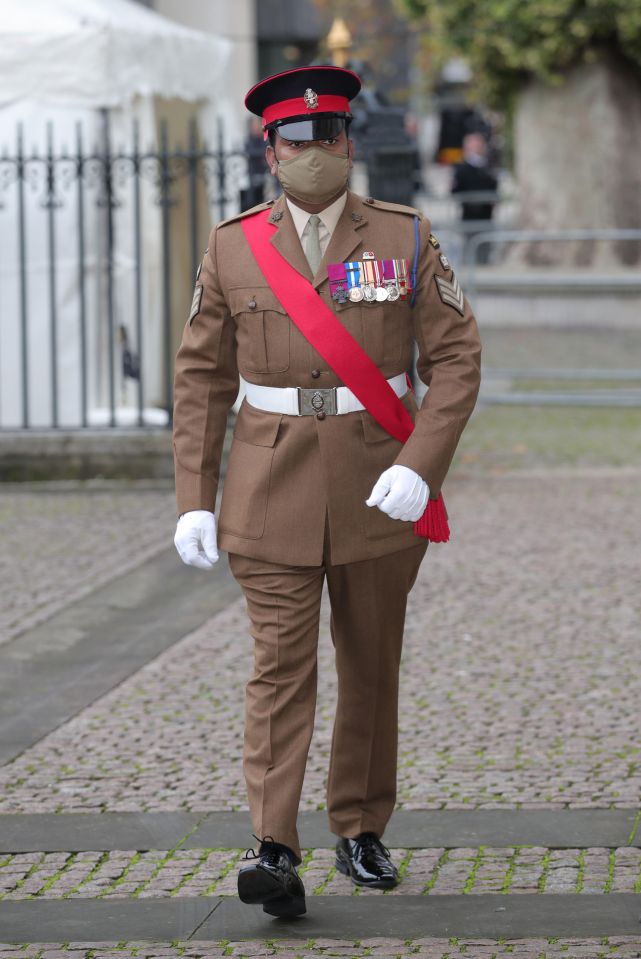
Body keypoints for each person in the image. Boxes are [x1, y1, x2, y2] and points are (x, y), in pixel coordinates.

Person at [172, 65, 481, 919]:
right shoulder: (232, 245)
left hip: (379, 481)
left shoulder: (404, 236)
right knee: (277, 668)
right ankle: (273, 844)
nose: (314, 154)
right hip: (267, 485)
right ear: (270, 153)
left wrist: (419, 465)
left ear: (348, 144)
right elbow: (200, 374)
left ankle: (359, 825)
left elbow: (454, 359)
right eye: (295, 143)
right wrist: (194, 494)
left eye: (328, 139)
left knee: (371, 663)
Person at [451, 131, 498, 264]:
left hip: (486, 213)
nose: (478, 146)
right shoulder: (462, 168)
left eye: (479, 143)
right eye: (474, 144)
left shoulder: (488, 166)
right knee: (471, 243)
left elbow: (494, 185)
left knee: (485, 244)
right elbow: (455, 190)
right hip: (470, 213)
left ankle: (484, 265)